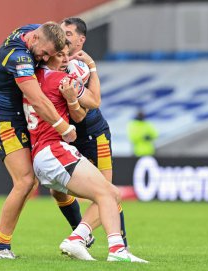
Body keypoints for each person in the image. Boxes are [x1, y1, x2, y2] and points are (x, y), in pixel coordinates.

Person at [24, 42, 145, 262]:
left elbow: (78, 115)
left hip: (41, 156)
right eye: (59, 55)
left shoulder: (28, 80)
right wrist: (91, 70)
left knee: (110, 193)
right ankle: (116, 250)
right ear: (47, 55)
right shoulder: (61, 80)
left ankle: (78, 239)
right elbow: (94, 101)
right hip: (54, 151)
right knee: (107, 193)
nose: (65, 59)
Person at [0, 22, 77, 259]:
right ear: (34, 38)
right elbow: (37, 99)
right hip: (3, 122)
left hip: (16, 120)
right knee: (25, 180)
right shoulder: (20, 58)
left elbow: (55, 31)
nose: (43, 58)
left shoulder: (33, 31)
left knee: (32, 182)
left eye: (49, 55)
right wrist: (63, 127)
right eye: (43, 53)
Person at [55, 17, 139, 256]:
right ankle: (81, 234)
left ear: (81, 40)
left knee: (107, 189)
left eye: (69, 34)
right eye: (62, 32)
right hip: (69, 136)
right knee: (57, 190)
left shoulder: (78, 66)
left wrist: (92, 68)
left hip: (93, 134)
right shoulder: (56, 59)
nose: (64, 37)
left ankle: (118, 244)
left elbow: (89, 106)